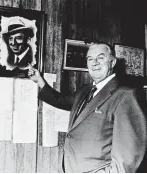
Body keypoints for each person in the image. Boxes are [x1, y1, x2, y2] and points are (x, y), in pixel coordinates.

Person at [28, 43, 147, 173]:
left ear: (112, 62)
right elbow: (60, 101)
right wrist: (39, 80)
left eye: (100, 58)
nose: (94, 63)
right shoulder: (85, 91)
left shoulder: (126, 96)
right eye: (90, 59)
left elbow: (127, 160)